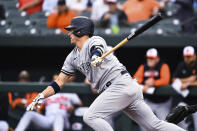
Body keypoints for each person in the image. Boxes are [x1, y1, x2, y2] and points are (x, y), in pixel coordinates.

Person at [26, 16, 185, 131]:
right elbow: (59, 82)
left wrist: (96, 57)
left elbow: (98, 49)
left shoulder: (95, 40)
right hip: (121, 88)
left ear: (81, 31)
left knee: (90, 116)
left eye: (72, 31)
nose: (69, 33)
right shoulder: (72, 57)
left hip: (119, 84)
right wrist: (42, 95)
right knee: (154, 126)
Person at [15, 73, 82, 131]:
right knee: (29, 114)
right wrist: (38, 110)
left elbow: (79, 103)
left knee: (58, 115)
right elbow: (38, 104)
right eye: (55, 80)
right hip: (48, 120)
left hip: (63, 120)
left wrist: (74, 107)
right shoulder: (48, 92)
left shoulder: (69, 92)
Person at [134, 48, 171, 122]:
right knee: (144, 122)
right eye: (148, 58)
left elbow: (166, 80)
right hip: (149, 100)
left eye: (152, 58)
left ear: (157, 58)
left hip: (162, 102)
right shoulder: (143, 67)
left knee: (165, 123)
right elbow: (135, 79)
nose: (150, 60)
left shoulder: (163, 66)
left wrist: (154, 82)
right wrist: (145, 83)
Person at [171, 46, 197, 130]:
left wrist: (188, 83)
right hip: (185, 101)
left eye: (189, 56)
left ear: (194, 56)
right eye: (185, 56)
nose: (187, 58)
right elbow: (174, 79)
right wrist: (188, 80)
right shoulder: (182, 65)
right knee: (176, 116)